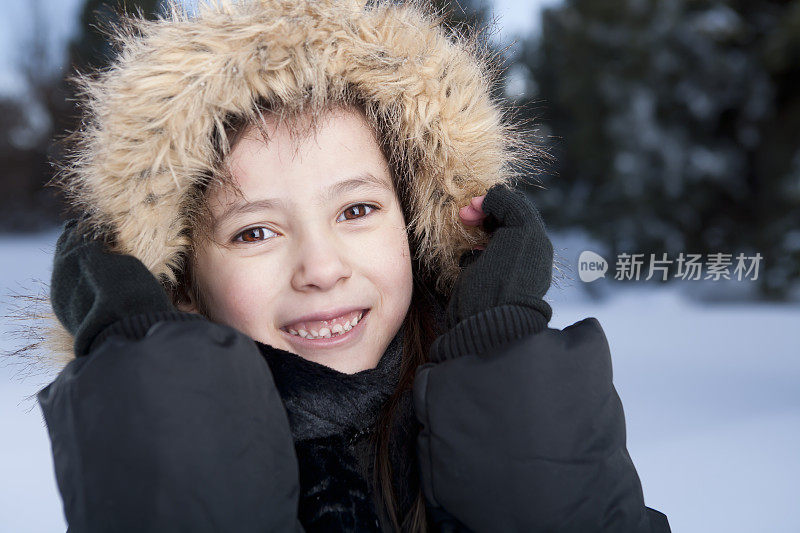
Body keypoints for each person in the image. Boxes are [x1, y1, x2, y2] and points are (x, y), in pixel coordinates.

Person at [25, 0, 672, 531]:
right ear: (181, 283)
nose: (321, 267)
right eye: (255, 230)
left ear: (419, 228)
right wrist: (153, 383)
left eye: (357, 210)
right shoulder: (149, 471)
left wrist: (500, 363)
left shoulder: (519, 419)